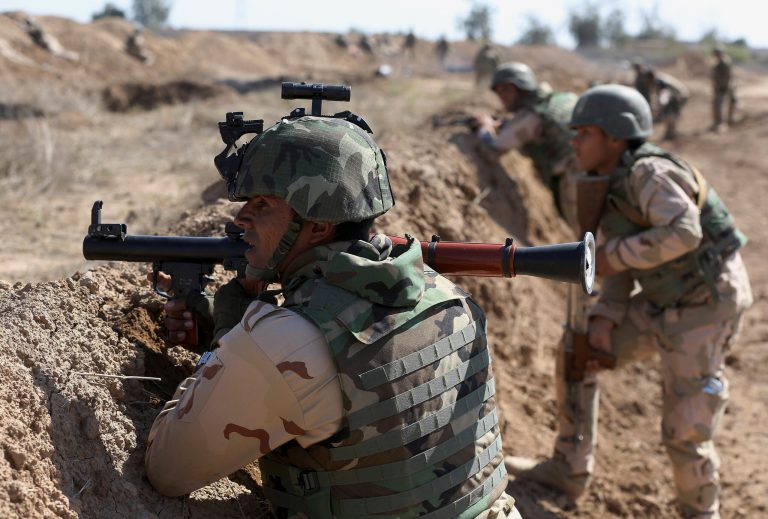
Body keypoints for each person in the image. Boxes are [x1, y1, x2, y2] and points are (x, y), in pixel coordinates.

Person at [144, 112, 519, 518]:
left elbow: (168, 470)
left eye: (263, 204)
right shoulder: (446, 294)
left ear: (319, 226)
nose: (240, 219)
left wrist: (229, 344)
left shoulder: (285, 341)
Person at [506, 84, 752, 519]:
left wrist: (611, 257)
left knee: (685, 426)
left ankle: (700, 512)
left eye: (585, 133)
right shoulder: (606, 180)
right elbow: (616, 256)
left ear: (615, 138)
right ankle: (568, 468)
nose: (575, 142)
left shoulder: (650, 173)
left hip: (704, 306)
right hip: (660, 300)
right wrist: (605, 315)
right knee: (578, 352)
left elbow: (683, 232)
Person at [472, 62, 580, 227]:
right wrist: (506, 124)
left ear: (522, 88)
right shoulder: (561, 99)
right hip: (598, 166)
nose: (502, 96)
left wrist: (485, 127)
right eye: (498, 91)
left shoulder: (531, 116)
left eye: (507, 89)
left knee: (584, 232)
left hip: (575, 177)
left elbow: (493, 148)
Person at [649, 69, 689, 140]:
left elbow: (663, 99)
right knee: (670, 115)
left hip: (678, 98)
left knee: (670, 115)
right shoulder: (661, 80)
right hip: (676, 98)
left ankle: (671, 132)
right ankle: (670, 132)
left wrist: (658, 110)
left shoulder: (662, 85)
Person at [711, 46, 737, 131]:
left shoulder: (724, 63)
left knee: (719, 105)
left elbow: (727, 76)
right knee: (719, 105)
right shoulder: (720, 63)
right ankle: (723, 122)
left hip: (724, 87)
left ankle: (722, 123)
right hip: (722, 87)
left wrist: (723, 87)